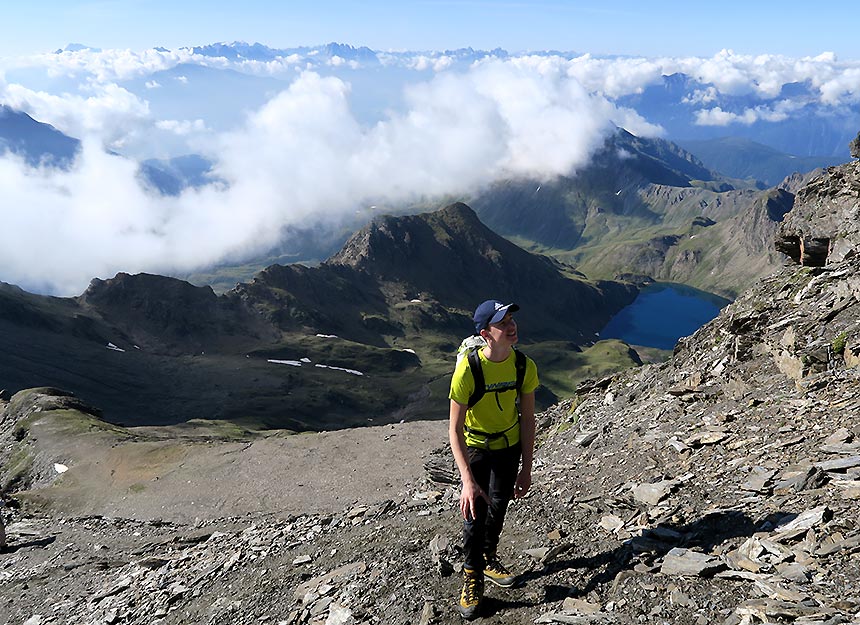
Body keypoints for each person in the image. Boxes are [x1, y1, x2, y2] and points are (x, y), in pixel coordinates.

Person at [448, 299, 539, 619]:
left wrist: (526, 469)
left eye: (512, 319)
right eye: (503, 323)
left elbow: (528, 420)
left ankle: (488, 559)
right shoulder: (468, 370)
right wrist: (467, 481)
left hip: (509, 445)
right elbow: (454, 429)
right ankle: (472, 576)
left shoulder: (523, 365)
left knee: (499, 504)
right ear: (486, 333)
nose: (512, 326)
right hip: (476, 446)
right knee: (475, 510)